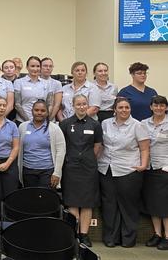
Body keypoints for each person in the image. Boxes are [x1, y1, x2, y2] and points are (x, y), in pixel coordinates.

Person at [99, 97, 150, 248]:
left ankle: (128, 239)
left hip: (128, 170)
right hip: (106, 169)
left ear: (130, 109)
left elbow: (145, 148)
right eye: (120, 107)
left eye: (126, 107)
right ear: (114, 109)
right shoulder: (105, 123)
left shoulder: (137, 126)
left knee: (128, 207)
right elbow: (101, 145)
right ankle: (111, 238)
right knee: (109, 206)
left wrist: (143, 165)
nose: (123, 110)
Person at [59, 94, 103, 247]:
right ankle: (74, 234)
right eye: (78, 104)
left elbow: (98, 146)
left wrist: (88, 159)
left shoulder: (95, 124)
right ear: (73, 106)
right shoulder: (64, 124)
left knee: (87, 202)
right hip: (71, 168)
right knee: (72, 202)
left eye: (84, 104)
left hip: (88, 168)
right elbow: (61, 146)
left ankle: (84, 235)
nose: (82, 107)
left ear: (87, 105)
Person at [17, 100, 66, 188]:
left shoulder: (54, 128)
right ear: (32, 111)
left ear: (47, 113)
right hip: (27, 170)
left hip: (47, 172)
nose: (39, 113)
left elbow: (61, 151)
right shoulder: (22, 127)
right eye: (36, 110)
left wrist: (57, 172)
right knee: (30, 198)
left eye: (43, 111)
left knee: (45, 199)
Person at [142, 95, 168, 250]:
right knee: (152, 204)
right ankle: (157, 234)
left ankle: (167, 236)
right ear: (151, 107)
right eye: (156, 105)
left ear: (166, 107)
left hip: (164, 168)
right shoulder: (144, 124)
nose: (159, 108)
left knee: (164, 205)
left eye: (162, 105)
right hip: (149, 168)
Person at [14, 56, 52, 124]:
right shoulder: (19, 82)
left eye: (38, 66)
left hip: (41, 121)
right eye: (32, 66)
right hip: (23, 121)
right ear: (27, 67)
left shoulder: (47, 83)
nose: (35, 69)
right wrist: (29, 121)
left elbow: (49, 104)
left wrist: (43, 119)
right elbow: (17, 105)